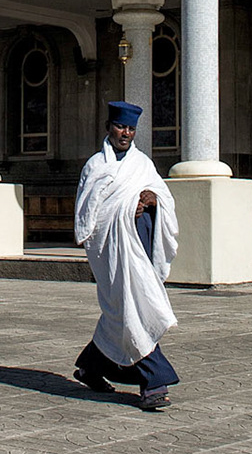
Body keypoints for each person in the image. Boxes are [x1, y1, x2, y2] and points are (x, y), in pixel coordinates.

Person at [71, 101, 180, 411]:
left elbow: (164, 199)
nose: (126, 134)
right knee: (131, 310)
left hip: (141, 248)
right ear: (109, 127)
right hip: (111, 252)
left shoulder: (143, 164)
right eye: (121, 127)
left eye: (131, 129)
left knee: (126, 311)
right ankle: (154, 383)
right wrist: (124, 208)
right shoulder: (95, 166)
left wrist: (152, 199)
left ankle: (91, 368)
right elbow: (89, 213)